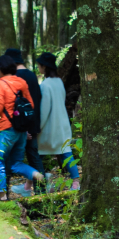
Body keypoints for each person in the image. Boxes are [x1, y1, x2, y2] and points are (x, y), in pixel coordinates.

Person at [0, 53, 44, 200]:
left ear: (0, 69)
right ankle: (34, 173)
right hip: (21, 131)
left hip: (6, 130)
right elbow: (30, 106)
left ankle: (1, 196)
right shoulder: (21, 82)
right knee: (16, 163)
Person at [34, 52, 78, 186]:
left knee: (37, 154)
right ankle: (76, 182)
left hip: (50, 127)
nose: (39, 68)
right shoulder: (59, 81)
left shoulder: (45, 85)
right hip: (63, 124)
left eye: (39, 65)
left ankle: (34, 183)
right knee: (66, 152)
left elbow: (44, 109)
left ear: (44, 67)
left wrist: (37, 127)